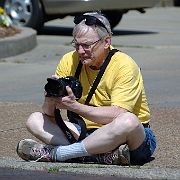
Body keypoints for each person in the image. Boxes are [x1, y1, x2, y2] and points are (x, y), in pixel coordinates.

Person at [16, 12, 156, 165]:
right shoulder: (69, 60)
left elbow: (117, 114)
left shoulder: (124, 65)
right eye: (76, 44)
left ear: (106, 42)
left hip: (128, 137)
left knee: (128, 121)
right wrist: (51, 99)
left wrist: (74, 106)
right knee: (34, 120)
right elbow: (49, 114)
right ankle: (101, 156)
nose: (80, 51)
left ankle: (60, 153)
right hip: (84, 133)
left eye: (87, 45)